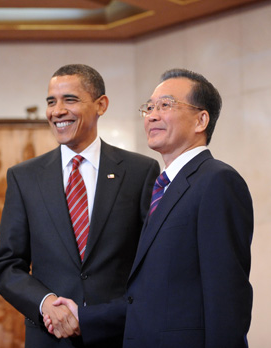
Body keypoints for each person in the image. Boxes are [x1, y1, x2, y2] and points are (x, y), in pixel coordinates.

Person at [45, 68, 254, 348]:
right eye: (149, 107)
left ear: (201, 120)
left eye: (165, 105)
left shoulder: (217, 181)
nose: (152, 115)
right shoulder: (163, 186)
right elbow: (148, 298)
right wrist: (83, 316)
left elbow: (227, 299)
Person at [0, 64, 160, 348]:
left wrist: (100, 316)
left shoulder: (140, 172)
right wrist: (46, 304)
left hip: (119, 335)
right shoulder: (24, 177)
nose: (57, 111)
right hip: (50, 337)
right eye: (50, 102)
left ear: (101, 105)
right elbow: (7, 266)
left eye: (69, 100)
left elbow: (152, 264)